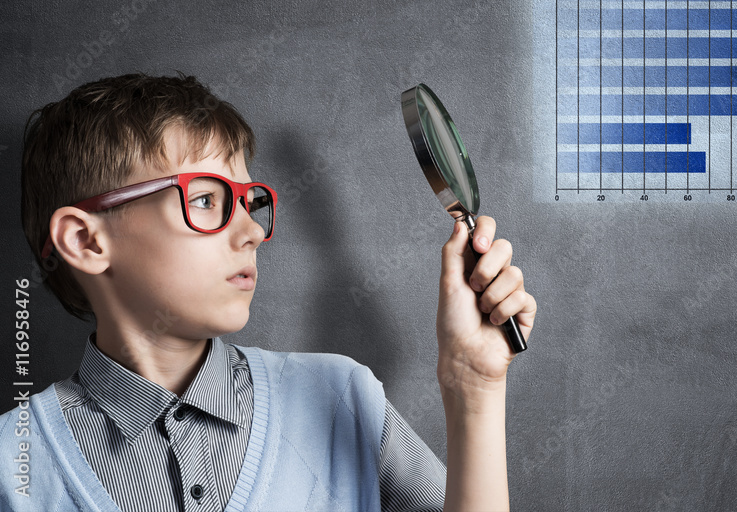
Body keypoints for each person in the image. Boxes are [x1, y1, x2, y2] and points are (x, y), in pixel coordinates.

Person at [0, 73, 536, 511]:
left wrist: (474, 389)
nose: (253, 231)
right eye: (207, 200)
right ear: (86, 240)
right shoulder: (13, 463)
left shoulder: (341, 397)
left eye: (249, 202)